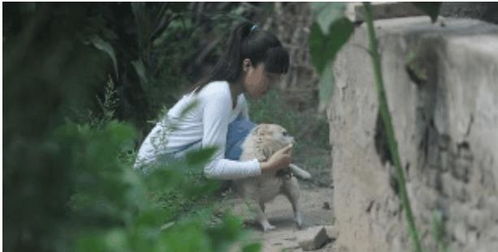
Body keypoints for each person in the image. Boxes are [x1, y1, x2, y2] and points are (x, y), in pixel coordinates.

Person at [134, 22, 293, 180]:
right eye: (269, 77)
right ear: (247, 65)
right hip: (152, 173)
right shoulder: (219, 94)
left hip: (177, 164)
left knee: (254, 133)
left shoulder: (239, 98)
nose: (272, 85)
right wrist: (268, 166)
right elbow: (213, 167)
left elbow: (249, 147)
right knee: (244, 134)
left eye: (276, 80)